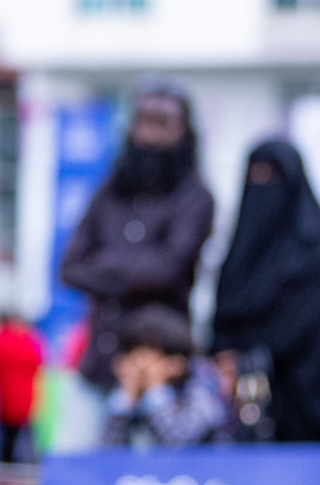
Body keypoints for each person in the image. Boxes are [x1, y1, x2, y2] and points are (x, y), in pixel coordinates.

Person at [56, 83, 215, 451]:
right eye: (142, 121)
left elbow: (168, 270)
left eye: (162, 123)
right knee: (74, 470)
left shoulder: (195, 197)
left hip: (158, 373)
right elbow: (70, 268)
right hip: (97, 365)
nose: (149, 134)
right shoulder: (109, 192)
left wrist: (107, 262)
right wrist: (135, 269)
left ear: (184, 133)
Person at [212, 139, 320, 443]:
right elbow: (223, 319)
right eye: (257, 176)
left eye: (273, 177)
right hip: (245, 415)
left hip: (314, 402)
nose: (264, 187)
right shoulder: (241, 252)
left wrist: (258, 347)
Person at [101, 305, 226, 449]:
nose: (139, 364)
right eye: (134, 354)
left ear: (176, 360)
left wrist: (156, 390)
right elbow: (107, 452)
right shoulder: (130, 388)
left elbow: (182, 445)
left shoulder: (200, 384)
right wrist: (125, 398)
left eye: (147, 355)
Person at [0, 313, 45, 464]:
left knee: (4, 442)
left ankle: (5, 473)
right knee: (22, 441)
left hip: (4, 400)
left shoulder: (2, 338)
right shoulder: (32, 340)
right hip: (24, 401)